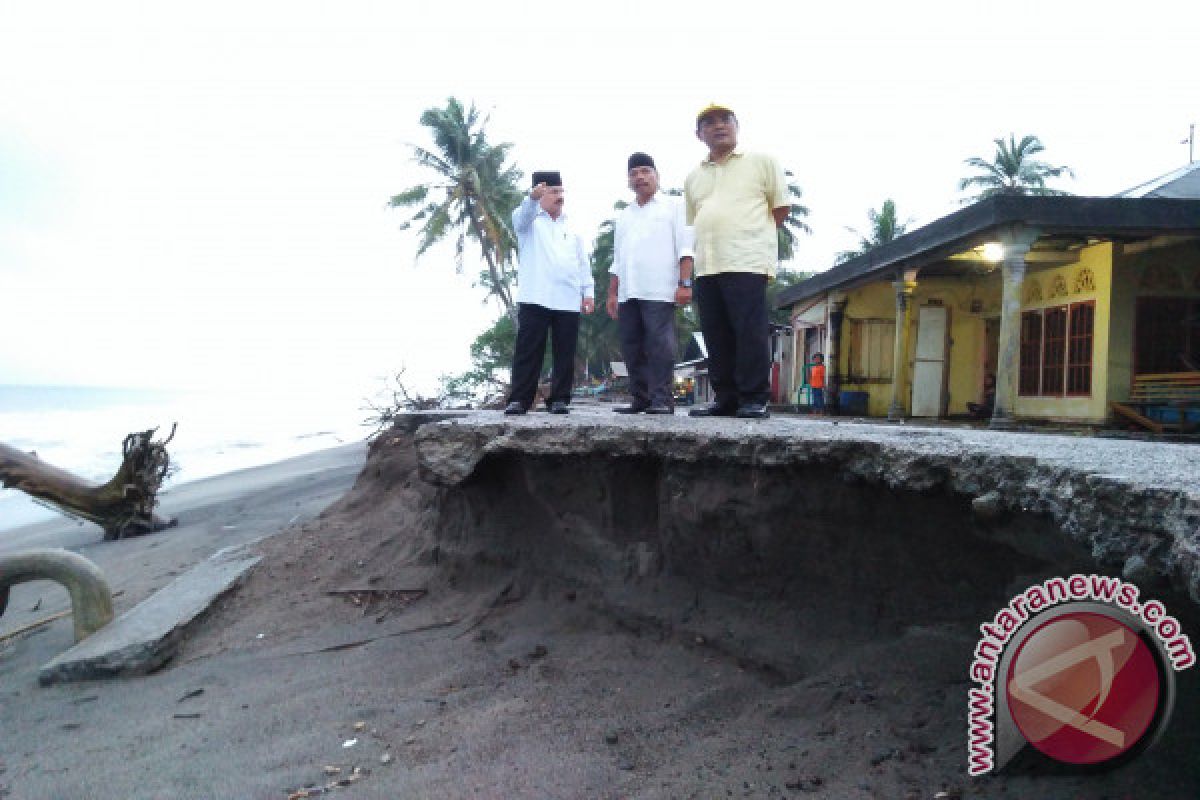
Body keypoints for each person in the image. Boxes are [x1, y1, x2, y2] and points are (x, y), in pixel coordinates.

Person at [684, 103, 789, 420]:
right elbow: (697, 219)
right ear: (699, 134)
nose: (718, 126)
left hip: (746, 259)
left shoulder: (762, 162)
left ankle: (754, 397)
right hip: (707, 264)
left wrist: (749, 235)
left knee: (749, 331)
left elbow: (780, 210)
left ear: (736, 126)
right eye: (709, 123)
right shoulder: (694, 177)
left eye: (724, 120)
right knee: (716, 333)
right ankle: (726, 397)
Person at [607, 152, 695, 415]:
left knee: (659, 346)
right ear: (628, 180)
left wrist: (685, 283)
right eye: (634, 173)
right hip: (628, 291)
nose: (640, 177)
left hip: (659, 288)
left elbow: (686, 248)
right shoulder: (625, 215)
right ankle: (641, 398)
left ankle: (662, 400)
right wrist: (612, 293)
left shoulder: (675, 206)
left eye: (645, 171)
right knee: (631, 346)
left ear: (657, 176)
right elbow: (617, 259)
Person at [504, 172, 595, 416]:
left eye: (561, 192)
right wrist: (532, 199)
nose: (559, 197)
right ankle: (520, 400)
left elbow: (582, 262)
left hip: (567, 297)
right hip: (536, 295)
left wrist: (588, 293)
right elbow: (523, 218)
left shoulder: (572, 226)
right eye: (553, 192)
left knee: (565, 352)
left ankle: (560, 399)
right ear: (541, 194)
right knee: (529, 350)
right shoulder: (528, 221)